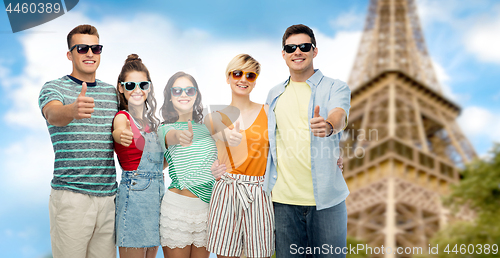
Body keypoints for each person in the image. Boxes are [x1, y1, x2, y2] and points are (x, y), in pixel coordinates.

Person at [263, 24, 351, 257]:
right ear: (283, 54)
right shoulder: (273, 94)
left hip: (326, 202)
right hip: (282, 202)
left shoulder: (336, 86)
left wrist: (329, 126)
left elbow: (339, 115)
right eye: (291, 48)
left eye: (304, 46)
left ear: (315, 50)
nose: (297, 52)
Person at [38, 24, 118, 258]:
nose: (90, 53)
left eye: (96, 48)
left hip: (109, 199)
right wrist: (72, 110)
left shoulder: (112, 93)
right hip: (71, 198)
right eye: (82, 48)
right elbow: (53, 114)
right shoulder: (54, 88)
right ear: (70, 54)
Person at [206, 54, 275, 258]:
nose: (243, 79)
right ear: (228, 77)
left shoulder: (269, 112)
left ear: (255, 82)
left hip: (259, 192)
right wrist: (227, 134)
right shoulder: (215, 116)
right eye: (237, 73)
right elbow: (215, 131)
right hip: (227, 191)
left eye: (250, 75)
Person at [158, 72, 227, 258]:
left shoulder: (210, 126)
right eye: (177, 90)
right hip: (177, 210)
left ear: (196, 95)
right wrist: (180, 136)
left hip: (207, 210)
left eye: (189, 90)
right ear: (170, 97)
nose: (184, 94)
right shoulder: (164, 128)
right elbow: (171, 136)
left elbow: (228, 155)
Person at [113, 54, 164, 258]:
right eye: (130, 85)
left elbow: (158, 165)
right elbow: (118, 132)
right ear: (121, 87)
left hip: (157, 196)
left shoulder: (153, 124)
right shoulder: (122, 118)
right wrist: (119, 135)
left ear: (149, 87)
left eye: (143, 84)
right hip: (134, 196)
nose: (137, 90)